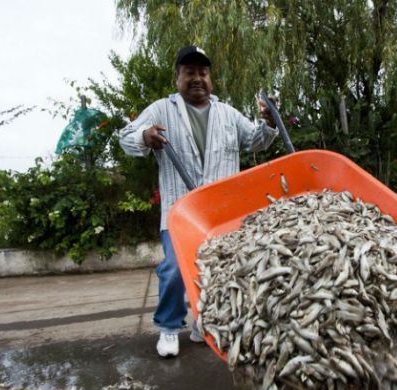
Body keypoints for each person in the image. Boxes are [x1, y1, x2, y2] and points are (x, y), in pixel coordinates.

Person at [119, 45, 278, 357]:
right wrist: (144, 136)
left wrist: (270, 124)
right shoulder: (162, 110)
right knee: (176, 270)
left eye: (202, 73)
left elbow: (255, 141)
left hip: (223, 213)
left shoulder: (228, 114)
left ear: (211, 79)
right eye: (189, 72)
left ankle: (204, 323)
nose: (197, 78)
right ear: (177, 77)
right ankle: (167, 328)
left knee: (223, 271)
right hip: (181, 212)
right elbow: (127, 136)